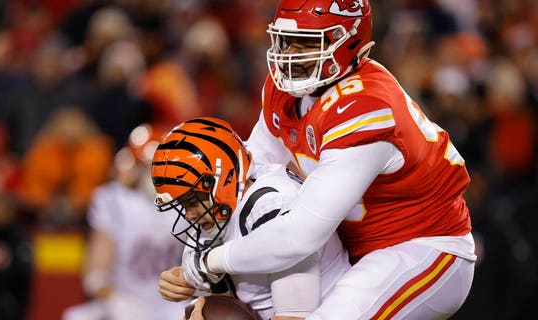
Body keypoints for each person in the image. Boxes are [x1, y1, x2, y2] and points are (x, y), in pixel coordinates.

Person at [183, 1, 477, 319]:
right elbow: (243, 178)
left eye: (308, 43)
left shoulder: (364, 106)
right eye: (286, 40)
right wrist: (197, 254)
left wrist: (210, 262)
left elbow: (300, 234)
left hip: (421, 246)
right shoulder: (285, 90)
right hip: (348, 246)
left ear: (349, 41)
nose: (291, 55)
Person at [152, 117, 350, 320]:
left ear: (226, 179)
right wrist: (185, 280)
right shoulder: (226, 210)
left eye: (194, 200)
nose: (189, 214)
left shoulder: (270, 205)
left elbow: (294, 318)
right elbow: (234, 297)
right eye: (183, 204)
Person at [62, 123, 186, 320]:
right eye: (146, 167)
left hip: (174, 305)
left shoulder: (188, 201)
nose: (153, 175)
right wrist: (113, 300)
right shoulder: (114, 200)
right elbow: (96, 270)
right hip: (126, 300)